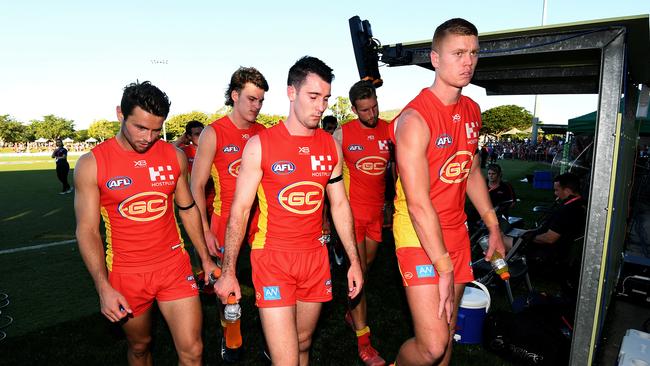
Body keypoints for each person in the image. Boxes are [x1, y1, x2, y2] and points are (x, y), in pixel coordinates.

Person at [214, 56, 364, 366]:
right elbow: (240, 210)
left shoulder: (330, 146)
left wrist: (353, 260)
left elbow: (338, 205)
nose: (320, 106)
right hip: (273, 258)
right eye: (313, 97)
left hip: (315, 259)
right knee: (286, 360)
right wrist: (228, 270)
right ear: (291, 93)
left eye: (325, 98)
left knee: (303, 343)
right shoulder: (260, 145)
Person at [74, 81, 217, 366]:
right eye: (140, 128)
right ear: (120, 114)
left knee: (194, 351)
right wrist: (103, 287)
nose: (148, 137)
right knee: (140, 346)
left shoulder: (174, 156)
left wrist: (206, 259)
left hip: (174, 266)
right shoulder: (92, 163)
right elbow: (87, 230)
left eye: (156, 129)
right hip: (127, 274)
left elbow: (187, 208)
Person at [390, 18, 505, 365]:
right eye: (458, 53)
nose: (467, 61)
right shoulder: (414, 119)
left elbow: (469, 169)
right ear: (435, 59)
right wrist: (442, 265)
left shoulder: (471, 110)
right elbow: (417, 204)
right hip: (417, 230)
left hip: (455, 229)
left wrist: (493, 225)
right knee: (433, 345)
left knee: (448, 332)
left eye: (473, 53)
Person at [190, 66, 268, 362]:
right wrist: (205, 229)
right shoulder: (214, 132)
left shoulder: (263, 132)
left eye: (260, 100)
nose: (256, 106)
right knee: (227, 286)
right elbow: (195, 185)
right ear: (234, 95)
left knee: (267, 279)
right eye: (251, 99)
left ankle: (270, 331)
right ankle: (230, 335)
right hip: (224, 219)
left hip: (259, 219)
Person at [332, 80, 391, 366]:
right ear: (354, 109)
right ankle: (364, 341)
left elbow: (393, 170)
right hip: (351, 216)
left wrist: (391, 203)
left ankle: (351, 313)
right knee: (359, 274)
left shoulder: (389, 129)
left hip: (376, 215)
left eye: (374, 106)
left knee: (364, 274)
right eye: (365, 110)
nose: (372, 114)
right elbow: (327, 180)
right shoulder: (342, 134)